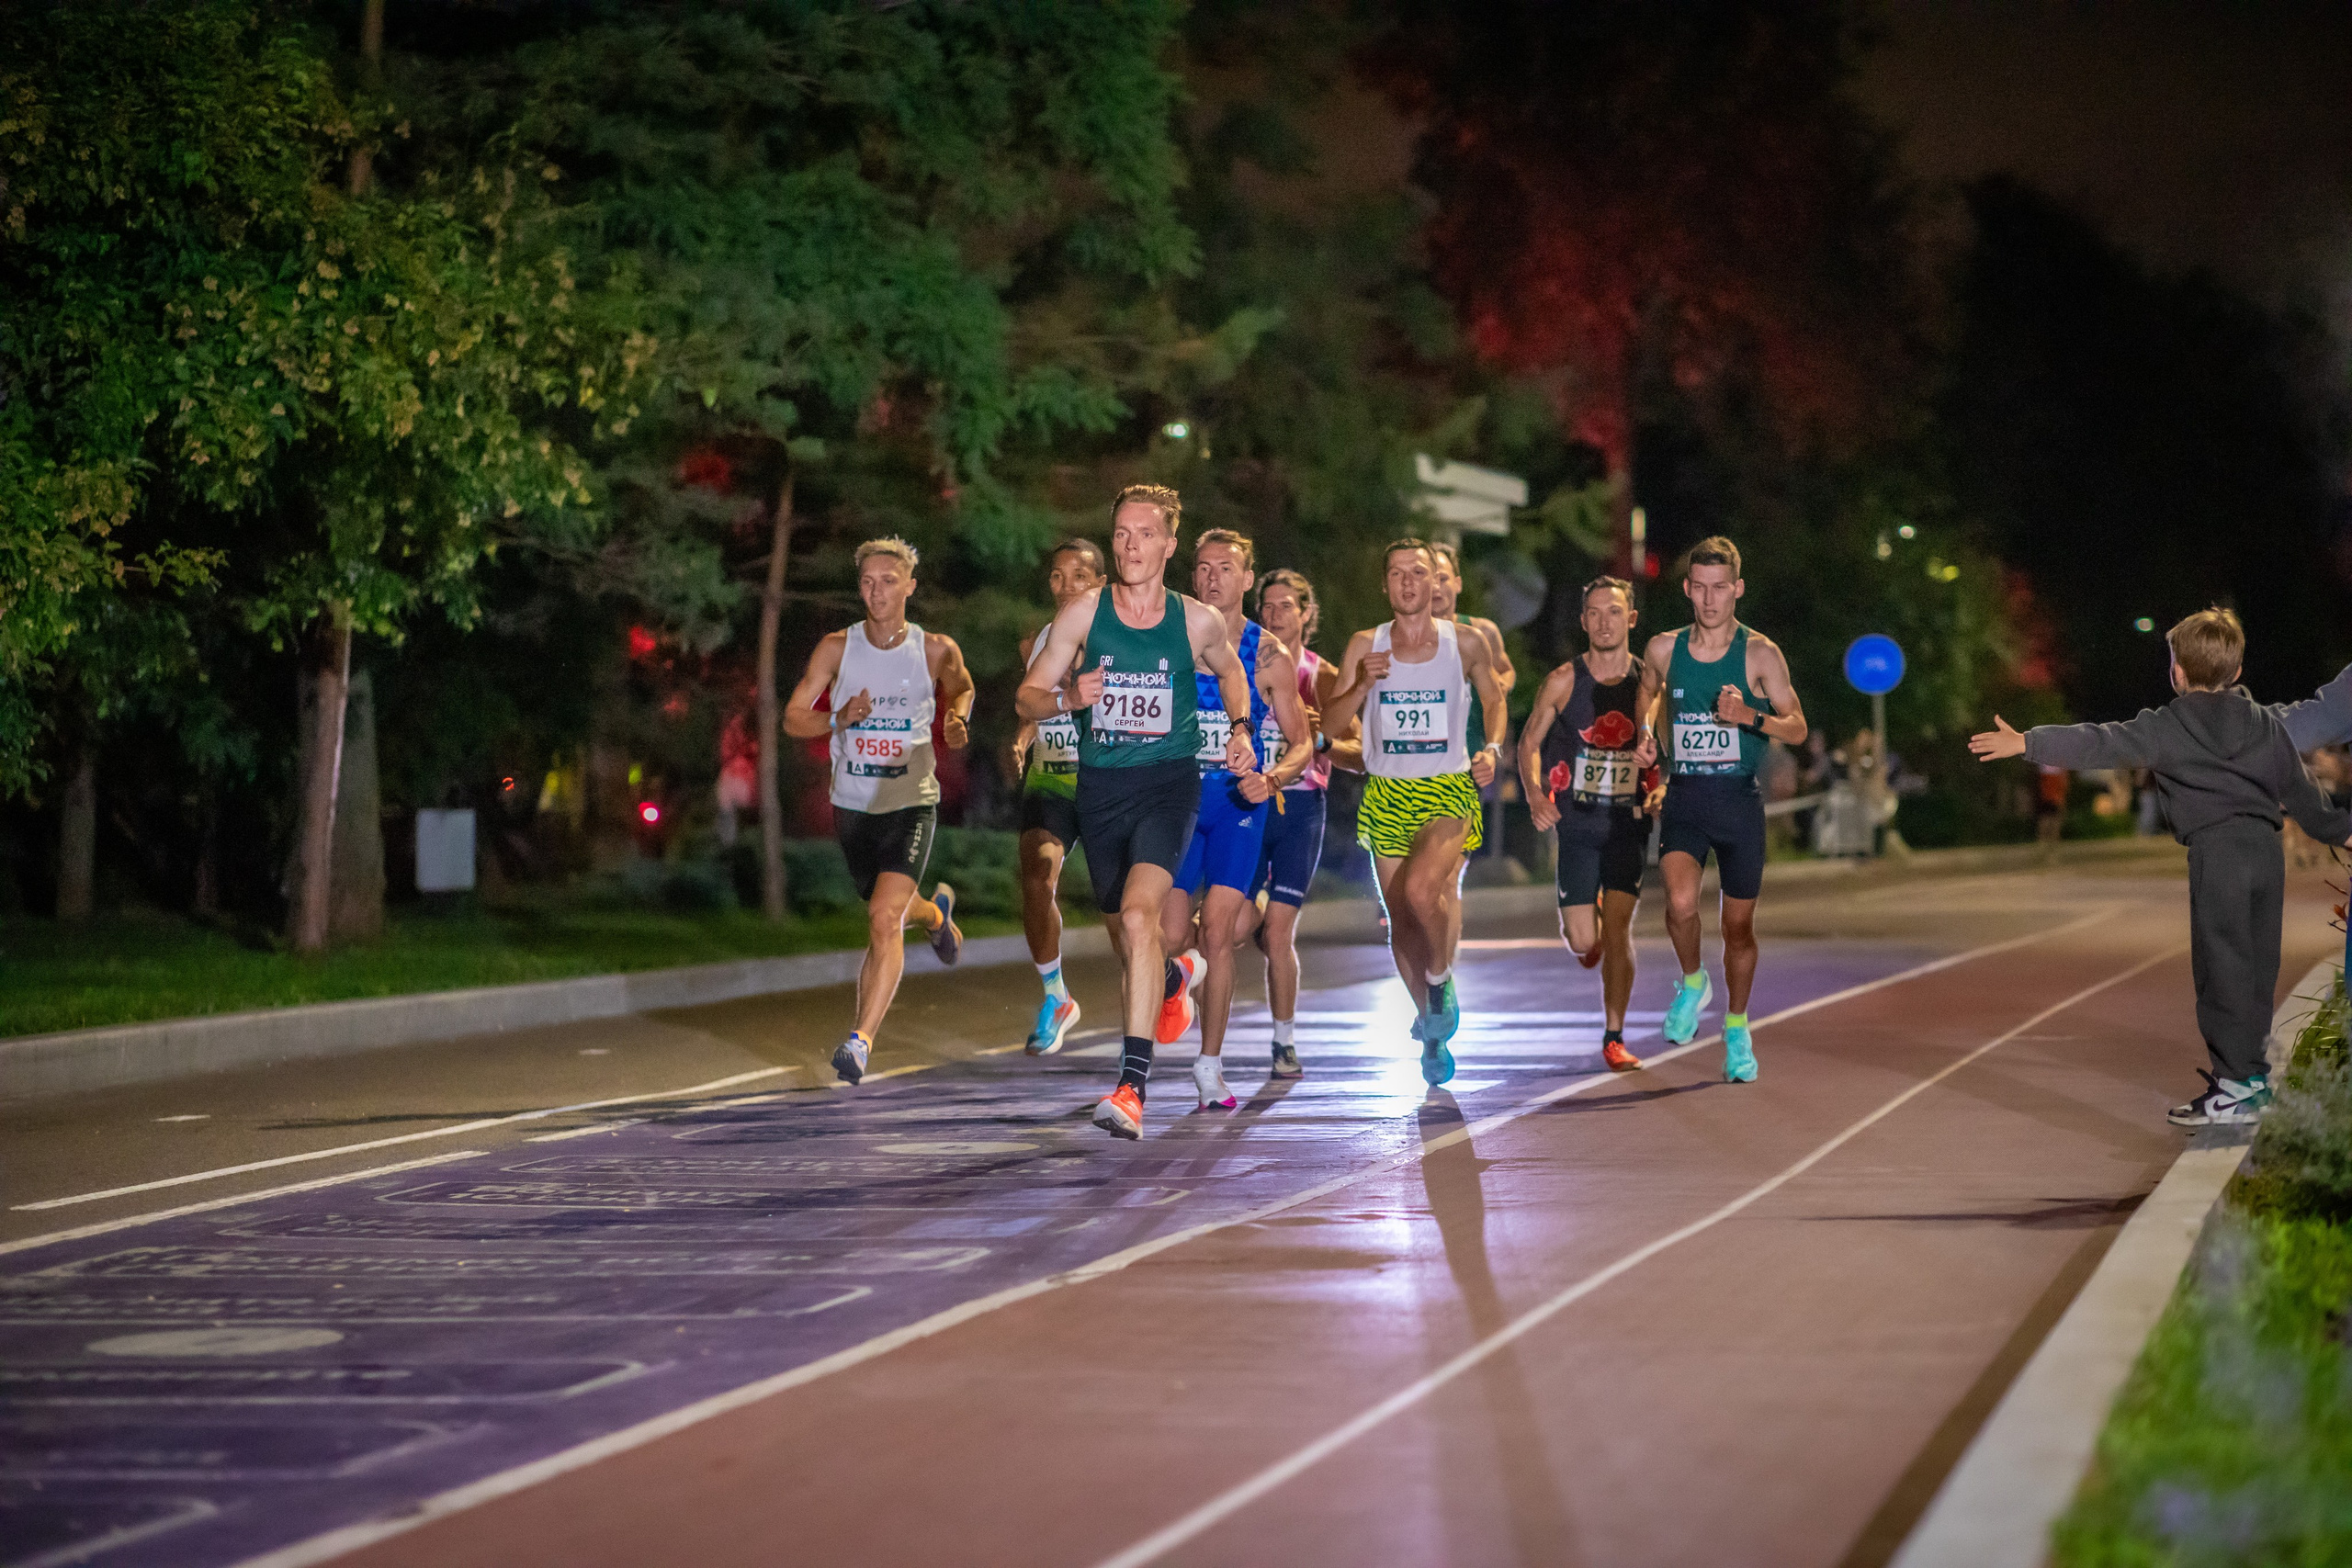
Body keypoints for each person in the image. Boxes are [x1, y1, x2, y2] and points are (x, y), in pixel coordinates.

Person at [1972, 608, 2352, 1125]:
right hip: (2265, 856)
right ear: (2236, 672)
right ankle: (2253, 1080)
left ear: (2176, 671)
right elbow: (2300, 793)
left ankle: (2235, 1087)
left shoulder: (2167, 726)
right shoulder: (2265, 725)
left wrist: (2027, 742)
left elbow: (2100, 742)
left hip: (2217, 856)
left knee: (2222, 972)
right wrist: (2341, 831)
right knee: (2258, 968)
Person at [1015, 485, 1255, 1140]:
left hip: (1169, 785)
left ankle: (1131, 1087)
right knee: (1131, 934)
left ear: (1169, 544)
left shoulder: (1195, 619)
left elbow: (1233, 672)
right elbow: (1026, 698)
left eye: (1144, 534)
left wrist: (1239, 727)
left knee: (1142, 914)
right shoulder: (1085, 615)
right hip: (1102, 788)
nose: (1130, 546)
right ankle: (1177, 973)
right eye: (1121, 533)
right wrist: (1068, 696)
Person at [782, 537, 974, 1085]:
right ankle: (936, 915)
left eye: (889, 580)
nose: (877, 590)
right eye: (867, 581)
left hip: (910, 801)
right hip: (853, 806)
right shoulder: (836, 649)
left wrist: (957, 716)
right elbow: (794, 718)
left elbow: (962, 687)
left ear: (910, 586)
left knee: (882, 918)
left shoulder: (933, 649)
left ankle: (860, 1042)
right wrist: (838, 718)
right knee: (891, 911)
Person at [1322, 538, 1510, 1086]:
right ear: (1385, 585)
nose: (1408, 582)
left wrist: (1492, 750)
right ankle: (1430, 1026)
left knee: (1422, 891)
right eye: (1398, 574)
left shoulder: (1466, 642)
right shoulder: (1365, 644)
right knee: (1400, 922)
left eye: (1419, 573)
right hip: (1386, 792)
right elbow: (1330, 730)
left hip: (1448, 788)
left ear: (1436, 584)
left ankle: (1440, 979)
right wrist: (1361, 684)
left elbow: (1494, 699)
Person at [1635, 536, 1807, 1083]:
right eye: (1700, 589)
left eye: (1720, 589)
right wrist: (1645, 737)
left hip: (1737, 802)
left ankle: (1737, 1028)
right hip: (1686, 794)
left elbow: (1797, 727)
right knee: (1681, 903)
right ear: (1687, 589)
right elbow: (1648, 692)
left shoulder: (1760, 654)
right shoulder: (1664, 648)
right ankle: (1692, 983)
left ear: (1737, 590)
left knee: (1738, 928)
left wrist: (1747, 716)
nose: (1710, 600)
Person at [1159, 531, 1314, 1109]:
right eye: (1202, 568)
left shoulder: (1268, 653)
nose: (1212, 579)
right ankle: (1185, 969)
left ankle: (1209, 1066)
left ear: (1247, 580)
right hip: (1176, 804)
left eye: (1226, 569)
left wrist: (1271, 778)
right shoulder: (1170, 638)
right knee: (1170, 935)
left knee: (1221, 930)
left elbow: (1302, 745)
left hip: (1236, 809)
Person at [1520, 576, 1657, 1073]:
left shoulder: (1649, 683)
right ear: (1583, 622)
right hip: (1576, 822)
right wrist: (1536, 796)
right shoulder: (1562, 680)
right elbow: (1528, 744)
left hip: (1627, 822)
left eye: (1614, 612)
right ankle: (1588, 922)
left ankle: (1614, 1035)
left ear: (1631, 619)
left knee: (1619, 930)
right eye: (1595, 613)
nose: (1604, 621)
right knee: (1583, 940)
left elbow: (1669, 747)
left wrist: (1660, 785)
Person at [1236, 568, 1361, 1078]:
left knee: (1279, 932)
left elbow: (1362, 753)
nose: (1274, 615)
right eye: (1266, 606)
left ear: (1307, 614)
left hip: (1301, 806)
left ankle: (1284, 1041)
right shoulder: (1237, 660)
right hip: (1245, 802)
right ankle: (1187, 981)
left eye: (1286, 606)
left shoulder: (1321, 673)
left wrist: (1324, 741)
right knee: (1234, 922)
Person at [1006, 538, 1106, 1055]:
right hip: (1053, 771)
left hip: (1109, 777)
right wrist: (1022, 741)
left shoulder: (1120, 634)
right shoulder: (1038, 641)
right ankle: (1055, 995)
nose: (1066, 586)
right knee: (1038, 873)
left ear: (1101, 584)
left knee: (1120, 912)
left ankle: (1159, 994)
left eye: (1079, 576)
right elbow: (1031, 706)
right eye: (1057, 575)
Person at [1430, 541, 1517, 854]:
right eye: (1428, 578)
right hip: (1415, 761)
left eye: (1443, 577)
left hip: (1467, 759)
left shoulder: (1481, 632)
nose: (1436, 587)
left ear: (1458, 582)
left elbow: (1507, 673)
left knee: (1451, 862)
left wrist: (1497, 687)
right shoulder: (1403, 636)